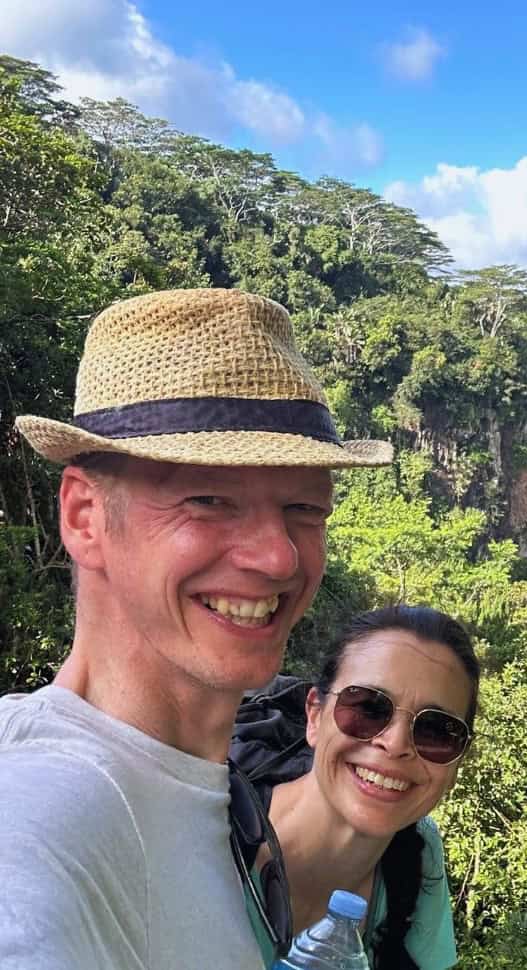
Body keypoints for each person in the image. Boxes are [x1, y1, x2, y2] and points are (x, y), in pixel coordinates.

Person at [0, 288, 391, 970]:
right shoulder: (45, 817)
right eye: (208, 500)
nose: (279, 557)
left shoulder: (206, 791)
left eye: (304, 508)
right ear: (85, 517)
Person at [231, 604, 480, 970]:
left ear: (458, 760)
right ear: (314, 716)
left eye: (435, 731)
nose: (395, 744)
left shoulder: (418, 852)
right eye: (367, 708)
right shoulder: (210, 838)